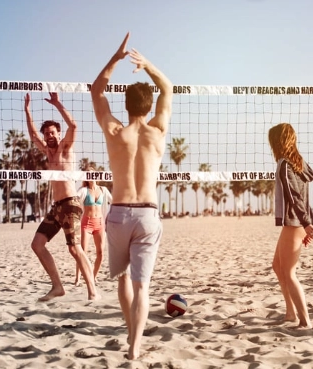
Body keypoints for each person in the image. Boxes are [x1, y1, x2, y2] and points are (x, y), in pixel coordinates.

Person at [91, 32, 173, 360]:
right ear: (149, 106)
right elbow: (168, 87)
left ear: (125, 105)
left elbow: (96, 89)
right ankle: (136, 346)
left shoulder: (114, 131)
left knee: (122, 278)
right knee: (143, 287)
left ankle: (129, 331)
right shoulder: (158, 131)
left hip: (119, 213)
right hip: (147, 215)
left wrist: (116, 57)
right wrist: (147, 64)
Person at [24, 92, 99, 302]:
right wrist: (27, 110)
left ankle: (93, 291)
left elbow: (73, 126)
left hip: (71, 204)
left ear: (59, 134)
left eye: (53, 132)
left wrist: (57, 103)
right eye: (46, 133)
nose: (49, 136)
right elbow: (32, 135)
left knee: (75, 249)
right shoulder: (47, 152)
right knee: (37, 244)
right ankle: (58, 287)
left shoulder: (65, 148)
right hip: (56, 207)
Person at [268, 123, 313, 329]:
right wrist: (308, 222)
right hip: (296, 222)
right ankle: (290, 313)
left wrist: (306, 224)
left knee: (288, 273)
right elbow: (305, 196)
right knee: (278, 267)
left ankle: (305, 321)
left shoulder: (285, 164)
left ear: (277, 142)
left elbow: (296, 197)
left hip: (294, 222)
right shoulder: (299, 163)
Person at [75, 165, 112, 286]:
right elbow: (74, 198)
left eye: (92, 173)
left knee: (100, 253)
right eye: (88, 174)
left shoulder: (103, 190)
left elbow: (114, 201)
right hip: (87, 223)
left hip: (100, 224)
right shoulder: (83, 190)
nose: (91, 176)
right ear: (86, 177)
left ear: (96, 175)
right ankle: (78, 278)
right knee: (82, 252)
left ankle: (93, 277)